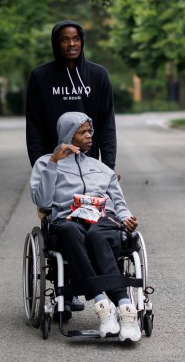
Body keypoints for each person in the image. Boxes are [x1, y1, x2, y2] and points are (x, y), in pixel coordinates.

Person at [30, 112, 141, 342]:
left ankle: (124, 308)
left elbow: (119, 204)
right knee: (71, 231)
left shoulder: (101, 168)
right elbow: (42, 202)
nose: (90, 136)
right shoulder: (45, 163)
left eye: (90, 131)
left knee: (98, 235)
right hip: (68, 221)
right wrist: (53, 164)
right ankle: (103, 305)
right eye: (83, 132)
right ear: (69, 135)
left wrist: (127, 217)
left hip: (102, 220)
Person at [26, 20, 117, 171]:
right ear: (56, 44)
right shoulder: (40, 77)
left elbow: (107, 123)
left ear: (82, 41)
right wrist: (39, 165)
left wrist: (109, 166)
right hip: (53, 160)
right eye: (65, 40)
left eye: (76, 39)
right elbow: (34, 126)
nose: (71, 44)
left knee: (88, 196)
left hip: (89, 163)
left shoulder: (98, 75)